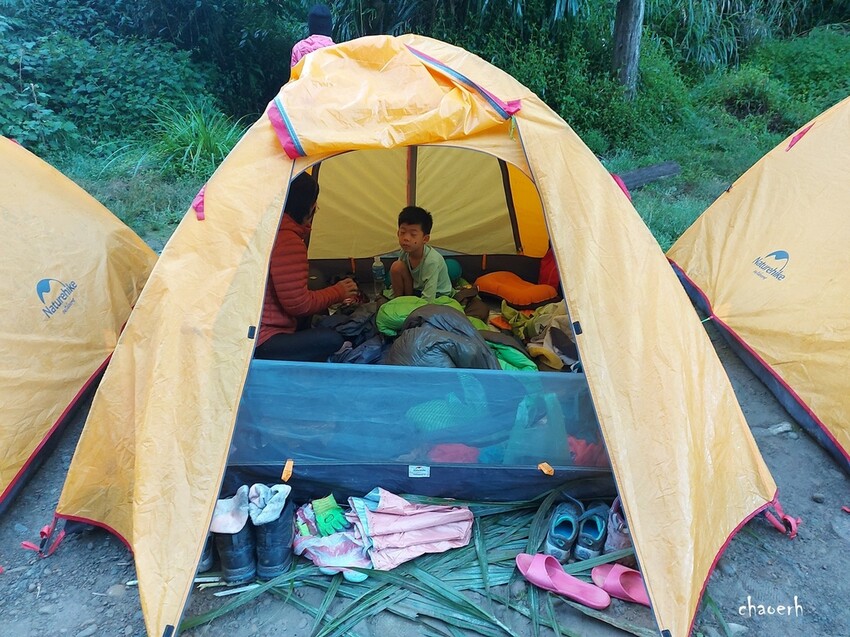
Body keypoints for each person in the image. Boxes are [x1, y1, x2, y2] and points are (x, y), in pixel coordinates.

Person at [255, 172, 358, 361]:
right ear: (307, 206)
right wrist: (339, 291)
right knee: (332, 339)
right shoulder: (287, 240)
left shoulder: (264, 230)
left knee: (315, 285)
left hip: (247, 333)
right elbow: (299, 305)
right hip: (263, 341)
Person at [389, 206, 452, 302]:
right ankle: (400, 302)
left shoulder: (431, 261)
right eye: (403, 232)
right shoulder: (405, 252)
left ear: (425, 239)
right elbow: (398, 276)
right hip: (417, 290)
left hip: (437, 294)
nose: (406, 238)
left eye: (413, 234)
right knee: (396, 266)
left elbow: (429, 298)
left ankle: (407, 303)